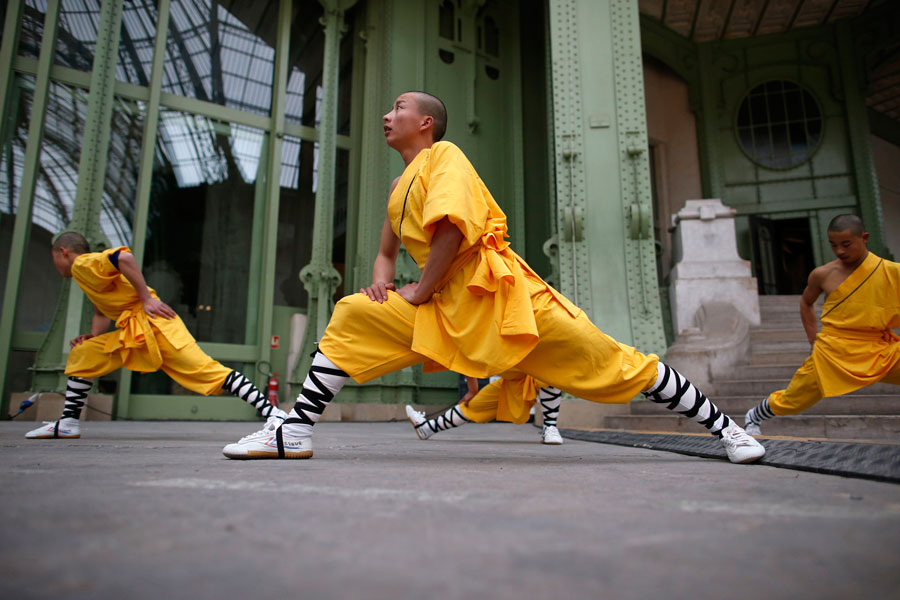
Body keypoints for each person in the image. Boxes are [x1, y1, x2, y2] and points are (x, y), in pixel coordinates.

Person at [223, 91, 764, 463]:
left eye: (399, 108)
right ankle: (292, 431)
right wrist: (382, 281)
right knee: (353, 312)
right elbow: (387, 251)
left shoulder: (445, 155)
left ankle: (729, 430)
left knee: (621, 365)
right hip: (445, 305)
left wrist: (420, 288)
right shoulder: (398, 187)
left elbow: (452, 234)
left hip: (507, 300)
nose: (388, 116)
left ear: (425, 122)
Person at [25, 232, 287, 439]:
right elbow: (101, 313)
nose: (56, 265)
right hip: (135, 332)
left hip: (156, 326)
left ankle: (274, 414)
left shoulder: (83, 263)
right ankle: (68, 423)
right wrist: (92, 337)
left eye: (54, 259)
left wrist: (146, 298)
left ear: (63, 252)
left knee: (207, 370)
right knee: (85, 353)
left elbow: (124, 258)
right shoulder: (85, 277)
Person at [745, 215, 900, 435]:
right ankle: (755, 415)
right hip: (834, 349)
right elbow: (806, 302)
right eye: (834, 245)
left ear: (864, 238)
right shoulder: (823, 274)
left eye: (846, 244)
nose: (840, 251)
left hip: (879, 346)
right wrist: (813, 340)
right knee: (794, 399)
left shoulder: (891, 271)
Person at [405, 374, 565, 444]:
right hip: (513, 378)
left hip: (537, 368)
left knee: (549, 375)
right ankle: (427, 428)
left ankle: (550, 427)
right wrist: (473, 390)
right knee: (475, 405)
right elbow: (465, 353)